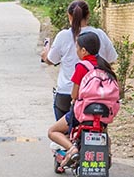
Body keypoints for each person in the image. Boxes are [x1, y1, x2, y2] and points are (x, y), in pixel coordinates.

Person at [48, 31, 118, 167]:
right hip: (103, 115)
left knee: (53, 131)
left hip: (83, 114)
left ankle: (72, 149)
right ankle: (107, 153)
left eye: (77, 48)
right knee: (104, 133)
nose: (77, 51)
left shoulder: (82, 66)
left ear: (84, 50)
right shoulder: (105, 66)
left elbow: (74, 95)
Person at [41, 0, 117, 120]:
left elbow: (51, 60)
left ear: (69, 16)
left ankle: (65, 138)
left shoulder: (63, 36)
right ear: (88, 15)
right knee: (99, 127)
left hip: (67, 93)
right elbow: (111, 59)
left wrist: (45, 54)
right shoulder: (99, 34)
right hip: (96, 94)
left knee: (60, 131)